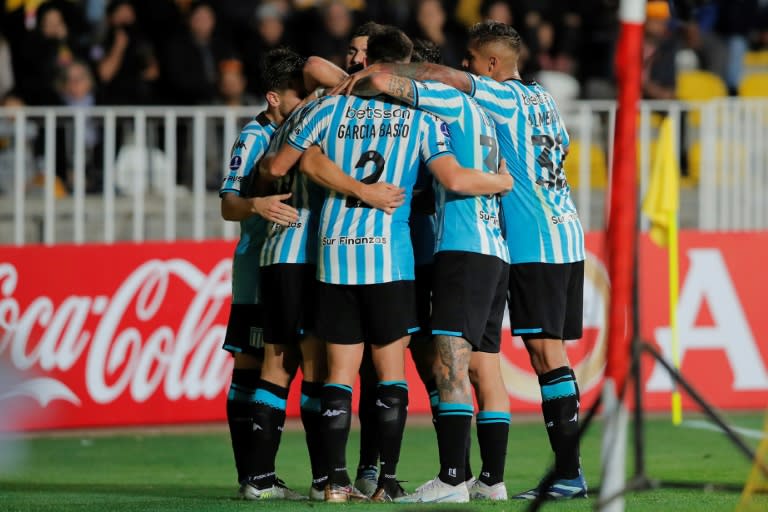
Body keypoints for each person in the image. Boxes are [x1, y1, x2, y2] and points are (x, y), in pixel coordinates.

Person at [338, 19, 588, 500]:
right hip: (563, 230)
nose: (466, 68)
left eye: (473, 60)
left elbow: (447, 80)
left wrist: (385, 68)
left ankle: (556, 472)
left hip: (531, 238)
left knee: (538, 355)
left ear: (492, 64)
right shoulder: (545, 99)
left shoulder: (498, 96)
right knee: (519, 359)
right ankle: (505, 477)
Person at [261, 26, 512, 503]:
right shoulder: (424, 121)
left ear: (370, 64)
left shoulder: (326, 107)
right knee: (398, 372)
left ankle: (333, 481)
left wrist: (350, 185)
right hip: (396, 257)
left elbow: (280, 165)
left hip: (335, 252)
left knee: (339, 372)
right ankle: (391, 479)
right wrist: (500, 184)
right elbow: (452, 177)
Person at [348, 43, 512, 505]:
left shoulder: (454, 103)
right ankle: (491, 480)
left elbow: (383, 83)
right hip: (495, 250)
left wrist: (375, 74)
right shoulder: (487, 118)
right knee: (485, 370)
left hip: (463, 250)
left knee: (450, 366)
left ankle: (453, 479)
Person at [219, 47, 309, 501]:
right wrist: (256, 204)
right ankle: (255, 475)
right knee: (256, 365)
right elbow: (228, 204)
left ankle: (254, 476)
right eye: (299, 95)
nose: (306, 102)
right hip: (259, 265)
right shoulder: (255, 137)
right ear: (274, 97)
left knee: (262, 366)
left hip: (284, 263)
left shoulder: (297, 131)